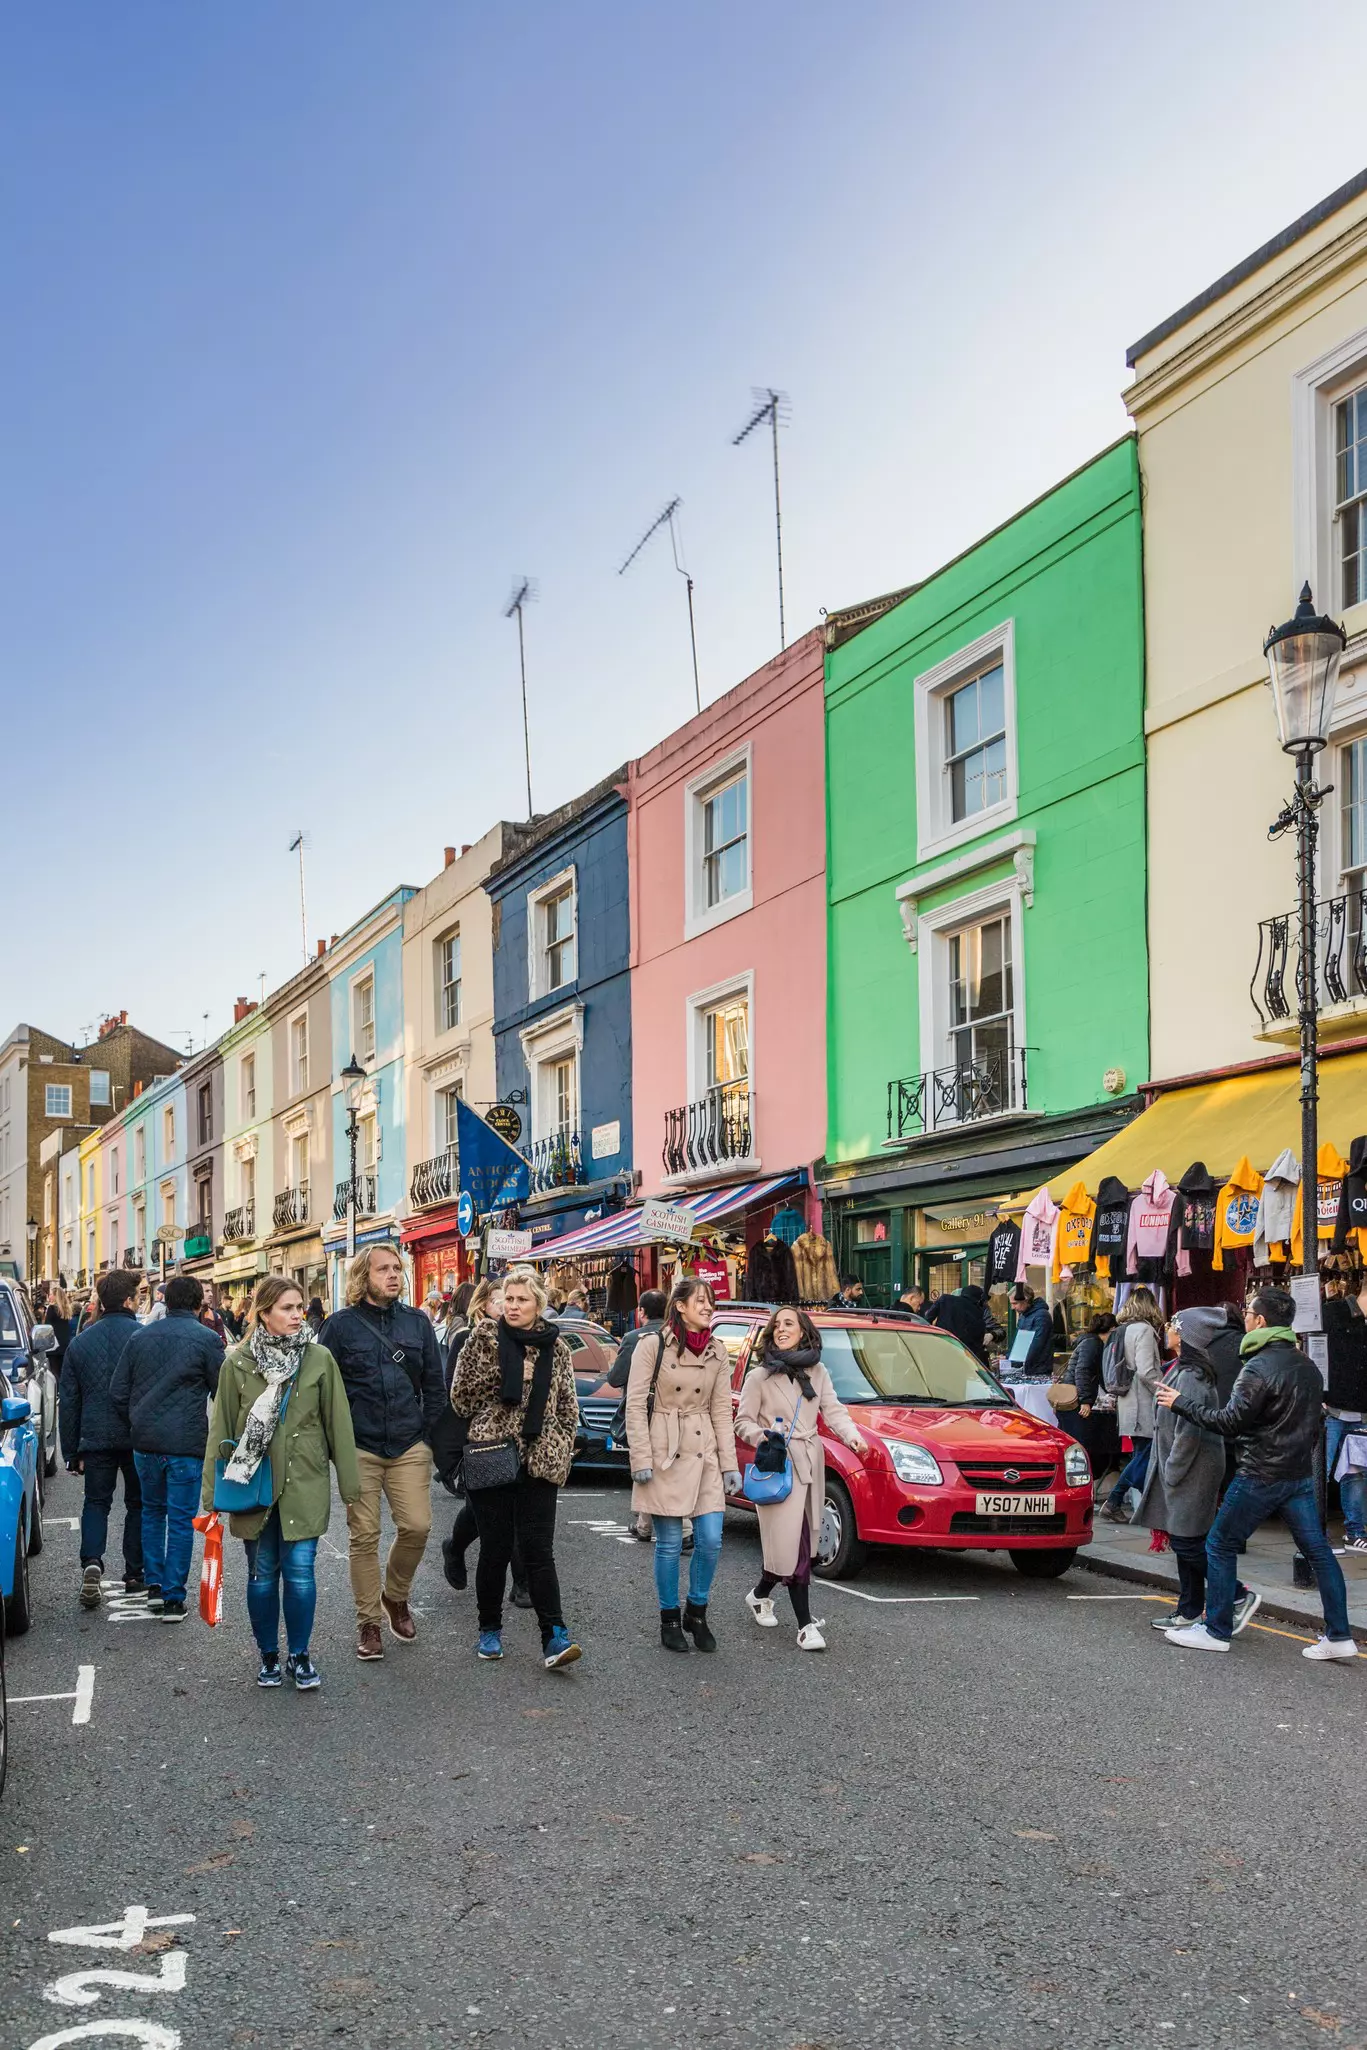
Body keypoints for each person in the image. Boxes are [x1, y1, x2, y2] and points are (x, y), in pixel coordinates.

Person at [1158, 1284, 1357, 1660]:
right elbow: (1316, 1421)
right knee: (1318, 1552)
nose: (1244, 1317)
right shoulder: (1307, 1366)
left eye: (1249, 1312)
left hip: (1259, 1474)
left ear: (1261, 1321)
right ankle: (1339, 1635)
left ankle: (1216, 1629)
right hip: (1296, 1476)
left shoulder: (1258, 1367)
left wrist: (1181, 1404)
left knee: (1218, 1544)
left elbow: (1229, 1422)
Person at [203, 1275, 359, 1689]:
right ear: (264, 1314)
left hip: (304, 1480)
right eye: (287, 1308)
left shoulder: (319, 1358)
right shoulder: (237, 1363)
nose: (297, 1315)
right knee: (262, 1573)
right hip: (252, 1481)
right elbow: (218, 1428)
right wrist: (210, 1496)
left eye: (299, 1307)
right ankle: (269, 1656)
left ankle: (300, 1655)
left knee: (302, 1572)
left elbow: (338, 1425)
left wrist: (351, 1488)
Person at [449, 1265, 582, 1668]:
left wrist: (559, 1445)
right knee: (496, 1548)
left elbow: (567, 1404)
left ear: (539, 1304)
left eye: (522, 1299)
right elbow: (460, 1399)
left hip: (540, 1459)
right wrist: (505, 1374)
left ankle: (554, 1637)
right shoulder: (482, 1339)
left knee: (539, 1550)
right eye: (508, 1298)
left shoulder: (556, 1346)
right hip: (492, 1455)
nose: (513, 1306)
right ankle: (489, 1629)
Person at [319, 1244, 445, 1660]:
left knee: (417, 1526)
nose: (393, 1275)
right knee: (364, 1537)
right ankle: (369, 1622)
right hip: (360, 1446)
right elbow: (324, 1390)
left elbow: (434, 1384)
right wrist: (334, 1443)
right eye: (383, 1270)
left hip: (410, 1443)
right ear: (363, 1277)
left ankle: (396, 1595)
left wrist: (427, 1434)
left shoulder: (417, 1323)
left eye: (397, 1268)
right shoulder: (338, 1327)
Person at [735, 1308, 868, 1651]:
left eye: (788, 1324)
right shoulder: (759, 1377)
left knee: (795, 1542)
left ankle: (760, 1594)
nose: (780, 1329)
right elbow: (742, 1421)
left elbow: (833, 1409)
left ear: (803, 1331)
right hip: (779, 1466)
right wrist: (762, 1435)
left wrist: (851, 1436)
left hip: (810, 1462)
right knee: (794, 1546)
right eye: (776, 1325)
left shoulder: (818, 1371)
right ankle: (806, 1626)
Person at [625, 1278, 739, 1654]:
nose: (708, 1307)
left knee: (710, 1539)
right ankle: (669, 1618)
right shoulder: (651, 1346)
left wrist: (729, 1464)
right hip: (665, 1449)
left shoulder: (718, 1351)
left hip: (703, 1448)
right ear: (680, 1306)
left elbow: (722, 1410)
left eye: (711, 1301)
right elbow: (635, 1404)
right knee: (671, 1542)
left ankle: (698, 1610)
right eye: (701, 1301)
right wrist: (641, 1457)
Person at [1134, 1309, 1258, 1637]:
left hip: (1193, 1468)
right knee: (1184, 1538)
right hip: (1185, 1467)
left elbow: (1189, 1431)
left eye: (1175, 1325)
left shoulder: (1190, 1375)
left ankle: (1237, 1595)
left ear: (1187, 1336)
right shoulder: (1181, 1368)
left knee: (1188, 1542)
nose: (1168, 1328)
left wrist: (1172, 1470)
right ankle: (1189, 1609)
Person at [109, 1274, 224, 1622]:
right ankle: (174, 1597)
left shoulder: (139, 1337)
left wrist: (137, 1418)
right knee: (179, 1519)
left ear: (165, 1301)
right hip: (186, 1444)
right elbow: (222, 1390)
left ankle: (155, 1587)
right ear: (197, 1305)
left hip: (145, 1443)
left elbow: (117, 1392)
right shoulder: (207, 1340)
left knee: (151, 1512)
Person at [58, 1268, 145, 1606]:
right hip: (136, 1435)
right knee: (136, 1504)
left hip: (94, 1437)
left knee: (96, 1503)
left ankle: (92, 1562)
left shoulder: (81, 1343)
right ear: (127, 1300)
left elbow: (70, 1401)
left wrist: (71, 1449)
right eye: (137, 1297)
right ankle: (135, 1573)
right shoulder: (141, 1336)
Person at [440, 1279, 529, 1607]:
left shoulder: (522, 1337)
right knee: (481, 1514)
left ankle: (522, 1583)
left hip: (518, 1440)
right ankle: (455, 1546)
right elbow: (454, 1391)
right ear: (482, 1304)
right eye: (499, 1300)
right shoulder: (465, 1338)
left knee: (518, 1512)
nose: (506, 1306)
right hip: (480, 1440)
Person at [1098, 1287, 1166, 1522]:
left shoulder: (1122, 1330)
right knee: (1145, 1455)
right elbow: (1147, 1371)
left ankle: (1144, 1506)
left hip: (1127, 1402)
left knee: (1141, 1454)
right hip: (1142, 1403)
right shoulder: (1144, 1331)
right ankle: (1115, 1500)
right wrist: (1165, 1392)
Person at [607, 1289, 668, 1543]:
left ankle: (656, 1526)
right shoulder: (675, 1336)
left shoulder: (633, 1338)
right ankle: (645, 1523)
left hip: (643, 1409)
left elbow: (616, 1378)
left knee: (644, 1461)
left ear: (641, 1312)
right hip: (672, 1411)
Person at [1322, 1276, 1367, 1553]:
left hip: (1362, 1413)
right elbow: (1311, 1350)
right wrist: (1319, 1395)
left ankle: (1354, 1531)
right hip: (1332, 1409)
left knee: (1357, 1473)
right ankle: (1313, 1531)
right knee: (1320, 1471)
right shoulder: (1333, 1313)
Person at [1061, 1310, 1119, 1486]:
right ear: (1111, 1329)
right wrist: (1086, 1401)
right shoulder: (1093, 1344)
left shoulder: (1090, 1342)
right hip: (1077, 1402)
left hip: (1076, 1400)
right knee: (1084, 1445)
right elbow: (1083, 1371)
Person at [931, 1282, 999, 1363]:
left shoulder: (945, 1300)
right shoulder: (978, 1312)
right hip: (967, 1357)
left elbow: (927, 1318)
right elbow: (977, 1342)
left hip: (943, 1348)